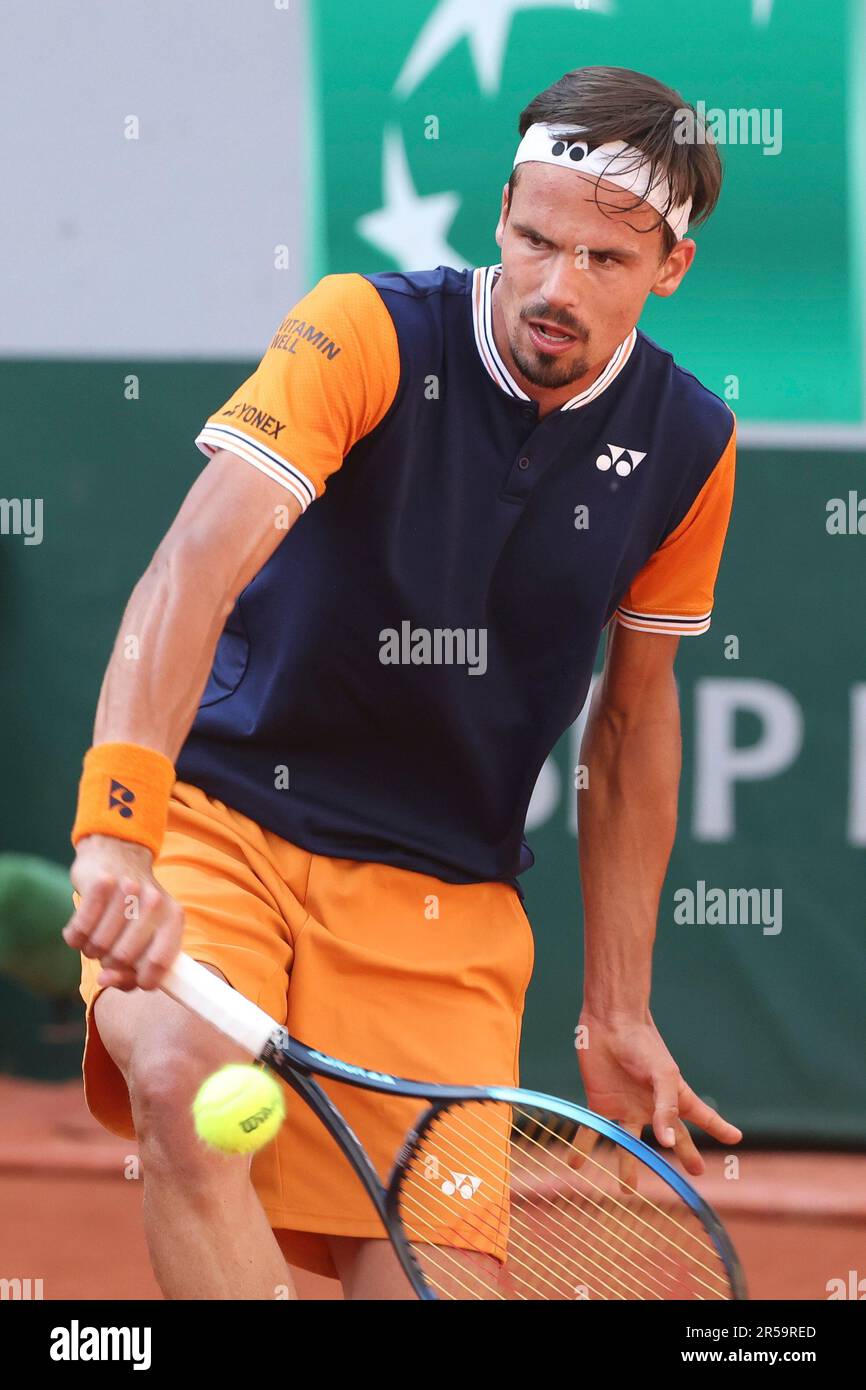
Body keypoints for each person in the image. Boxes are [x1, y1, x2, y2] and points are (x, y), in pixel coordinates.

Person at [65, 64, 742, 1301]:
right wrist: (117, 833)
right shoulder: (362, 329)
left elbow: (634, 717)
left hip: (443, 910)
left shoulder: (690, 443)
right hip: (226, 827)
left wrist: (617, 1008)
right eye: (534, 240)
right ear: (499, 212)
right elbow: (192, 569)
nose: (552, 286)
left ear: (668, 271)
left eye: (601, 261)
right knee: (178, 1080)